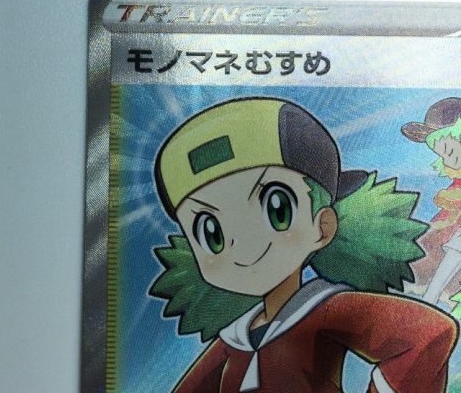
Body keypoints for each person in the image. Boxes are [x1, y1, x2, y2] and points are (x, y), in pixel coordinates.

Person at [150, 97, 457, 393]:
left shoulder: (325, 309)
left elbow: (429, 334)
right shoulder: (235, 337)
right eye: (212, 234)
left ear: (323, 226)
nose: (241, 243)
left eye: (277, 210)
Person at [401, 98, 461, 308]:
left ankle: (429, 300)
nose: (446, 158)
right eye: (441, 153)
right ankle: (428, 300)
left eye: (449, 149)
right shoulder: (456, 184)